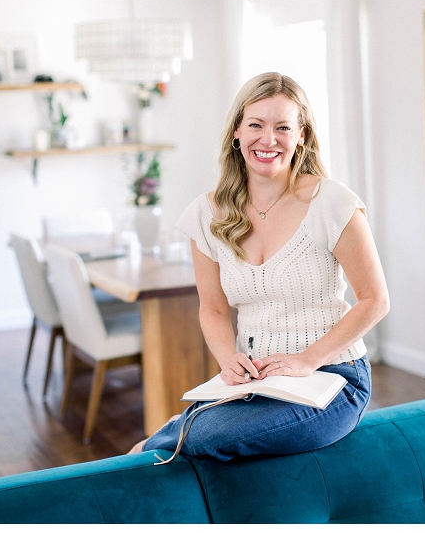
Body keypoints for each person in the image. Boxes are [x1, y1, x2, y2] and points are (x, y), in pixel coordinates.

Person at [134, 72, 389, 460]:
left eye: (283, 127)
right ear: (237, 132)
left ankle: (167, 436)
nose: (268, 140)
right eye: (256, 125)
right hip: (257, 382)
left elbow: (375, 300)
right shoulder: (206, 215)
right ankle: (181, 429)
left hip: (334, 378)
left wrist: (308, 360)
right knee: (209, 433)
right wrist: (226, 359)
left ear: (301, 135)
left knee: (205, 439)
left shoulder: (332, 203)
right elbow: (214, 309)